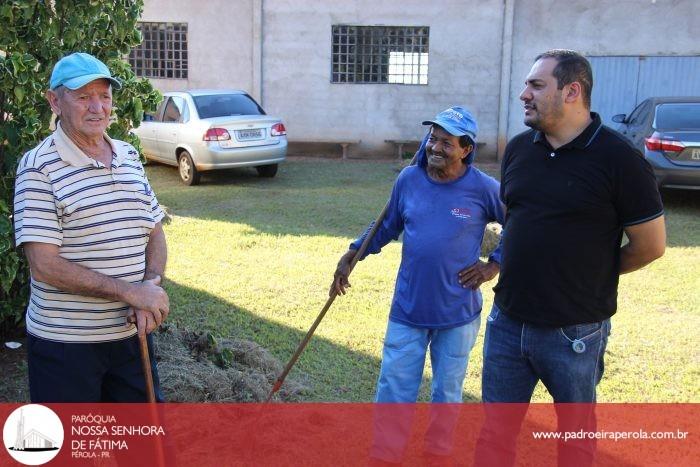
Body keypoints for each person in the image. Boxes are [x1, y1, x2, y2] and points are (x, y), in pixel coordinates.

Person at [475, 49, 666, 466]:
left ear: (573, 91)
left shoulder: (620, 160)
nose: (524, 94)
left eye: (537, 85)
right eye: (527, 85)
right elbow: (518, 222)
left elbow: (651, 246)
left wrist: (592, 273)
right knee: (495, 435)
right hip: (507, 322)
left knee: (575, 443)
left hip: (574, 333)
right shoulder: (520, 149)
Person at [331, 107, 504, 463]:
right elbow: (386, 224)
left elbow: (521, 222)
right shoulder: (408, 179)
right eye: (433, 138)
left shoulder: (484, 189)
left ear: (466, 149)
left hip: (457, 313)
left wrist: (494, 266)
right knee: (394, 387)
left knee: (447, 392)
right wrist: (353, 252)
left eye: (446, 142)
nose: (435, 147)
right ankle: (385, 456)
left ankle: (436, 455)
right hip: (408, 309)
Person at [13, 52, 170, 402]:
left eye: (105, 96)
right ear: (55, 101)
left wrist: (150, 286)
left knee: (142, 448)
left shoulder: (128, 155)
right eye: (83, 97)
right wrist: (130, 293)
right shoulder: (38, 168)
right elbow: (45, 266)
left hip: (131, 338)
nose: (97, 107)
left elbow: (154, 231)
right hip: (66, 346)